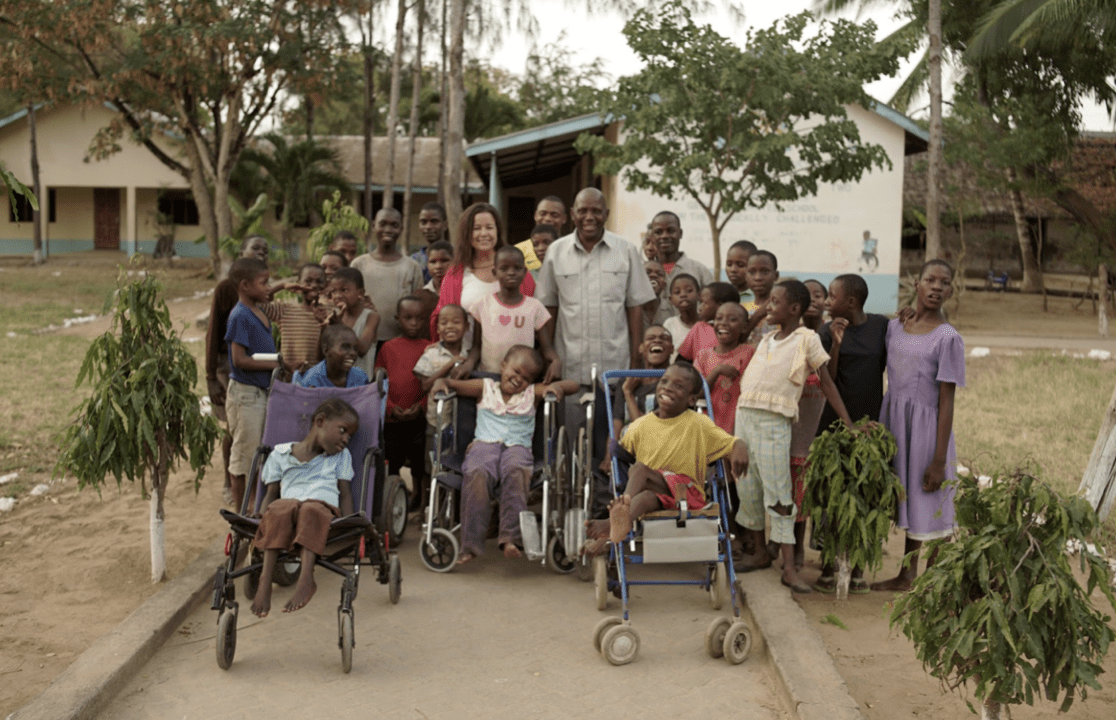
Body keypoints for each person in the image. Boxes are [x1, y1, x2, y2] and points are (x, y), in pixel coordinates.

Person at [733, 280, 855, 594]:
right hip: (745, 417)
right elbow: (747, 328)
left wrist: (849, 424)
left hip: (775, 422)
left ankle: (788, 568)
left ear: (794, 309)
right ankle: (760, 552)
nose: (768, 307)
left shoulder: (807, 339)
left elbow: (826, 383)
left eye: (774, 302)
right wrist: (761, 312)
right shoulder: (767, 338)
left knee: (779, 494)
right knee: (749, 486)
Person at [431, 345, 578, 563]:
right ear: (503, 366)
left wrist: (554, 387)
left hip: (518, 447)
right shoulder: (486, 387)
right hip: (484, 445)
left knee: (515, 471)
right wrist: (440, 382)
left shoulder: (530, 394)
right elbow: (452, 384)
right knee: (477, 472)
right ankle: (469, 545)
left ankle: (510, 538)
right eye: (516, 371)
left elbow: (573, 385)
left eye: (526, 377)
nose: (519, 379)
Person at [584, 362, 749, 554]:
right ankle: (614, 530)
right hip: (656, 494)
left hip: (686, 494)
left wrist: (741, 446)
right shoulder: (640, 426)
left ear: (691, 399)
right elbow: (621, 455)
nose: (668, 387)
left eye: (678, 386)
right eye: (664, 381)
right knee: (642, 488)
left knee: (640, 470)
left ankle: (616, 518)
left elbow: (732, 444)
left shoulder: (699, 424)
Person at [871, 260, 964, 593]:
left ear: (951, 290)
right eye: (930, 280)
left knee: (931, 499)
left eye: (945, 282)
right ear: (916, 284)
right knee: (908, 497)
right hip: (894, 422)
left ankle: (933, 582)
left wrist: (939, 460)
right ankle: (907, 576)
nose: (937, 287)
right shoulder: (897, 326)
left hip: (927, 429)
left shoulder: (948, 338)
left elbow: (947, 401)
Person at [811, 273, 889, 594]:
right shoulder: (825, 332)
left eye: (831, 296)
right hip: (834, 422)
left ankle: (858, 568)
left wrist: (910, 314)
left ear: (852, 302)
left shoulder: (881, 326)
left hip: (870, 421)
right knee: (831, 495)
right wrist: (838, 345)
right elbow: (827, 379)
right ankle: (828, 566)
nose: (827, 302)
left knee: (864, 494)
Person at [536, 187, 656, 387]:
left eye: (596, 211)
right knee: (571, 419)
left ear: (606, 214)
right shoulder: (555, 252)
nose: (589, 217)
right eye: (582, 211)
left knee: (614, 419)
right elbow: (548, 308)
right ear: (573, 214)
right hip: (569, 367)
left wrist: (635, 362)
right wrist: (549, 358)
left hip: (616, 366)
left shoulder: (626, 250)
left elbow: (635, 309)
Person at [249, 398, 358, 617]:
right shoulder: (279, 454)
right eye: (343, 431)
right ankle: (265, 580)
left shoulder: (340, 457)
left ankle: (306, 578)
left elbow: (344, 491)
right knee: (279, 509)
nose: (346, 439)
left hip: (322, 507)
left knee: (310, 509)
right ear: (320, 421)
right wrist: (262, 515)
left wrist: (350, 521)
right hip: (288, 508)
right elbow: (271, 493)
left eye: (350, 436)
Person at [206, 235, 271, 505]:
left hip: (255, 371)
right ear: (242, 251)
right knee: (235, 431)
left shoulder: (258, 295)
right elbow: (214, 335)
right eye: (256, 248)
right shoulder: (228, 292)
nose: (261, 253)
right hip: (228, 365)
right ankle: (233, 486)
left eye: (266, 250)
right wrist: (211, 377)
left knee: (248, 435)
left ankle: (249, 492)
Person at [225, 257, 289, 511]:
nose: (268, 288)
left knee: (256, 452)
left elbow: (270, 294)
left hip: (260, 393)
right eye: (263, 283)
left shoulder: (258, 310)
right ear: (244, 286)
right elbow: (239, 360)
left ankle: (252, 504)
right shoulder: (240, 316)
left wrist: (283, 286)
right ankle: (243, 509)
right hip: (245, 396)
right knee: (243, 456)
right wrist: (276, 364)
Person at [431, 202, 535, 342]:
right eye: (477, 228)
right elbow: (441, 318)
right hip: (465, 357)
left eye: (489, 227)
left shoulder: (516, 268)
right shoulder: (456, 274)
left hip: (513, 357)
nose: (484, 233)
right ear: (467, 233)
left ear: (497, 231)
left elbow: (534, 315)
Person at [464, 245, 560, 380]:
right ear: (494, 272)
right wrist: (469, 363)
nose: (511, 272)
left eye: (517, 268)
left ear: (525, 271)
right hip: (488, 377)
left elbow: (547, 349)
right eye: (504, 268)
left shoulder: (534, 307)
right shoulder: (482, 304)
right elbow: (476, 347)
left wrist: (556, 361)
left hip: (520, 378)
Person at [785, 279, 829, 573]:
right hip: (795, 426)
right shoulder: (791, 335)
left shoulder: (832, 332)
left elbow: (831, 377)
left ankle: (822, 548)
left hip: (823, 422)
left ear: (827, 300)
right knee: (795, 493)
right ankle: (794, 546)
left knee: (820, 492)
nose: (813, 299)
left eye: (819, 294)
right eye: (808, 294)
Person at [374, 296, 431, 506]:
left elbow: (433, 384)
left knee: (419, 462)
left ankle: (419, 499)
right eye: (408, 318)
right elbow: (379, 383)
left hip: (418, 417)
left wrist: (421, 406)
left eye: (419, 318)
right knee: (392, 460)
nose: (414, 323)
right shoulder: (388, 348)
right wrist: (390, 408)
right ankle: (392, 500)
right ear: (398, 319)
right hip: (393, 419)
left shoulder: (430, 347)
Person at [413, 303, 470, 508]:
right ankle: (430, 509)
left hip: (463, 423)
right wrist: (450, 364)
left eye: (456, 321)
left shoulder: (471, 354)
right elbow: (426, 386)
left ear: (467, 326)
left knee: (458, 465)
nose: (450, 326)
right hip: (437, 422)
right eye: (444, 323)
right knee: (433, 466)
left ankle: (456, 510)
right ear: (437, 329)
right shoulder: (431, 354)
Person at [351, 208, 424, 343]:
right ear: (374, 226)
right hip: (362, 340)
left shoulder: (411, 266)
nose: (388, 229)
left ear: (401, 229)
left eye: (394, 225)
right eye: (383, 224)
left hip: (399, 342)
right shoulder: (359, 264)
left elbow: (417, 307)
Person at [693, 302, 753, 435]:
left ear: (745, 327)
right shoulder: (703, 355)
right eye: (719, 318)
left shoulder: (750, 352)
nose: (724, 323)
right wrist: (717, 371)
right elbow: (697, 392)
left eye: (732, 319)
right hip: (708, 428)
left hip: (740, 428)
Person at [260, 263, 329, 375]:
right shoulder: (284, 310)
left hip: (320, 378)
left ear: (325, 285)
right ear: (298, 283)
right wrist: (282, 286)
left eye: (319, 281)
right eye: (308, 281)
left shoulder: (331, 312)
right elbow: (256, 304)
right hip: (290, 376)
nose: (314, 285)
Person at [326, 267, 379, 380]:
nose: (337, 296)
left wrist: (340, 325)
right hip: (337, 383)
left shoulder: (371, 317)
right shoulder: (333, 315)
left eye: (344, 290)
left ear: (360, 293)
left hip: (361, 384)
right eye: (334, 291)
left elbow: (362, 349)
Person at [677, 282, 740, 362]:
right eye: (700, 302)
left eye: (704, 303)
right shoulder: (699, 328)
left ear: (720, 307)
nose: (700, 308)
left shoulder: (736, 331)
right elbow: (683, 359)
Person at [649, 211, 713, 288]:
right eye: (658, 232)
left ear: (680, 233)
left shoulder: (699, 271)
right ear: (652, 237)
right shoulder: (643, 273)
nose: (664, 236)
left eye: (671, 231)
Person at [296, 325, 369, 389]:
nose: (353, 353)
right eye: (345, 347)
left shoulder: (360, 377)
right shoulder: (312, 380)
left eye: (355, 348)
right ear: (326, 351)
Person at [513, 196, 568, 273]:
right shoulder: (518, 251)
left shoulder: (571, 248)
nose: (547, 218)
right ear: (535, 215)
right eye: (543, 214)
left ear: (564, 218)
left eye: (554, 215)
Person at [417, 239, 454, 340]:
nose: (438, 266)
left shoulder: (463, 291)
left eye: (444, 261)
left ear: (454, 262)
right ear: (427, 265)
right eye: (433, 262)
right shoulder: (422, 294)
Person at [744, 250, 779, 345]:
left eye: (765, 272)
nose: (758, 277)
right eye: (752, 272)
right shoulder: (741, 309)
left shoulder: (783, 309)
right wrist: (758, 314)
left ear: (776, 276)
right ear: (745, 276)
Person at [662, 273, 700, 356]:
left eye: (689, 290)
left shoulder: (709, 323)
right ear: (671, 300)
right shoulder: (670, 324)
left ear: (699, 295)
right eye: (677, 292)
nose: (683, 295)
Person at [412, 202, 449, 283]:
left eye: (434, 222)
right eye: (423, 222)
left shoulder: (457, 256)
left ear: (445, 225)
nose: (428, 227)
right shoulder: (414, 260)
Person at [643, 260, 674, 328]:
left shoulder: (673, 309)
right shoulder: (628, 308)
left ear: (664, 285)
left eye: (659, 274)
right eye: (647, 273)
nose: (653, 275)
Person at [725, 240, 757, 305]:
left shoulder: (761, 297)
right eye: (729, 264)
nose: (733, 269)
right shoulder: (721, 294)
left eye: (740, 265)